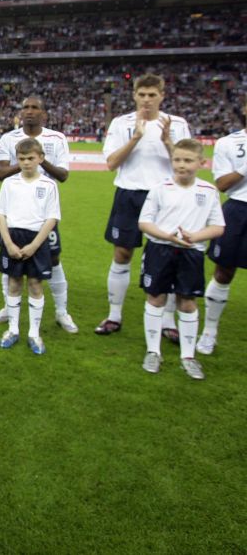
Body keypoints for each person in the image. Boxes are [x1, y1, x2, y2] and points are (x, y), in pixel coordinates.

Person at [95, 73, 191, 338]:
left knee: (169, 256)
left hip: (166, 197)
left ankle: (167, 321)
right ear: (134, 95)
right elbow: (112, 163)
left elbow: (186, 164)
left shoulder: (177, 124)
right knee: (122, 254)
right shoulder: (121, 122)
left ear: (162, 95)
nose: (147, 100)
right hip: (130, 194)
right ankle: (114, 315)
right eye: (142, 95)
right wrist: (136, 138)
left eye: (152, 95)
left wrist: (168, 142)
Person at [137, 139, 224, 379]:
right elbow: (144, 222)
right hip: (160, 249)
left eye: (188, 160)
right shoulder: (160, 188)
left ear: (201, 163)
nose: (181, 165)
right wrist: (167, 236)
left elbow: (218, 226)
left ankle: (188, 355)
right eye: (177, 159)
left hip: (191, 252)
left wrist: (195, 236)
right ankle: (153, 351)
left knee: (187, 302)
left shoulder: (207, 191)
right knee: (155, 299)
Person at [0, 97, 78, 333]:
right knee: (10, 263)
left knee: (54, 260)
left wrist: (39, 160)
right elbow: (0, 172)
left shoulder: (56, 138)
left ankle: (62, 311)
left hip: (42, 213)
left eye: (35, 108)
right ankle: (9, 310)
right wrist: (24, 164)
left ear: (44, 113)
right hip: (14, 211)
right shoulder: (9, 138)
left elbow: (62, 175)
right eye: (25, 108)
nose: (29, 112)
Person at [0, 138, 61, 354]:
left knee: (35, 284)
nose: (26, 162)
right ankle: (13, 329)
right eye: (22, 158)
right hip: (12, 236)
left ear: (41, 158)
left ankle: (34, 333)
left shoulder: (48, 185)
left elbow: (52, 218)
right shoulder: (9, 183)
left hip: (37, 239)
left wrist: (34, 246)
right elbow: (0, 213)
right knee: (13, 283)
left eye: (31, 158)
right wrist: (8, 243)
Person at [196, 104, 247, 355]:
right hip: (239, 209)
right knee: (224, 272)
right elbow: (223, 184)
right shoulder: (227, 143)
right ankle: (209, 332)